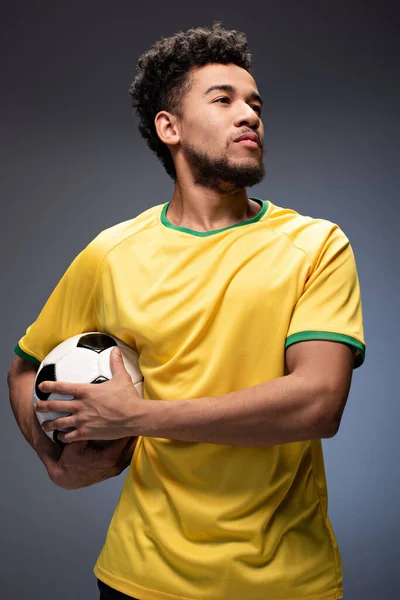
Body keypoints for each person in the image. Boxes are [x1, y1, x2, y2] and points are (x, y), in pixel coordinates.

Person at [8, 22, 366, 600]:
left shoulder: (316, 245)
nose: (248, 114)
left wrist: (136, 417)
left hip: (285, 581)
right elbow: (25, 367)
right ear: (168, 127)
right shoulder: (113, 253)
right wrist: (56, 461)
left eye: (255, 103)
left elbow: (319, 403)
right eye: (222, 100)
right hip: (139, 576)